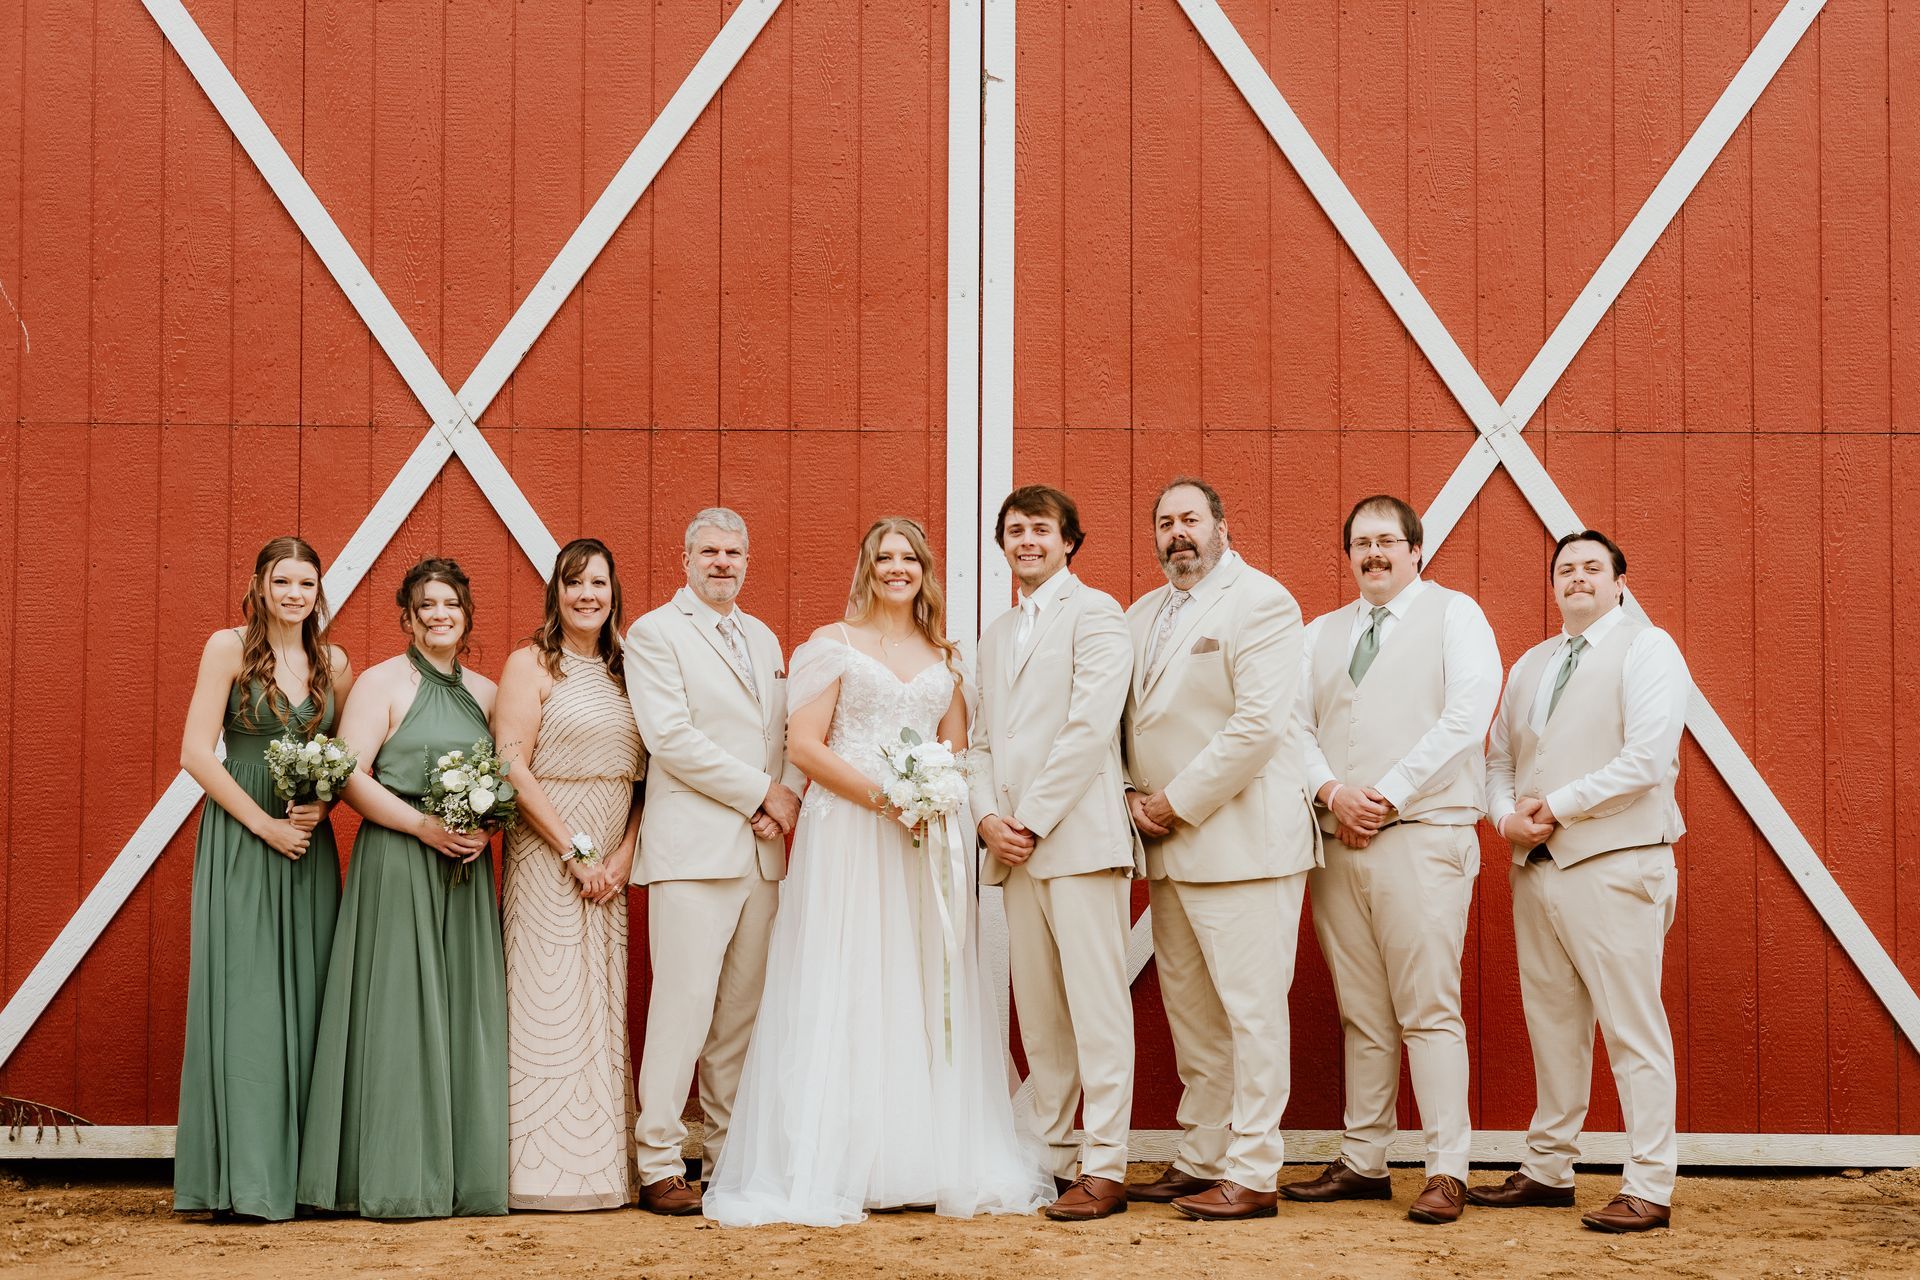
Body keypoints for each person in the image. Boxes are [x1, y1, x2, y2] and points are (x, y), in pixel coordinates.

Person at [702, 517, 1055, 1226]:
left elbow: (955, 747)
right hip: (851, 835)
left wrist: (934, 793)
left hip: (921, 836)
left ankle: (922, 1155)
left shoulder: (944, 656)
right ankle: (842, 1158)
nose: (898, 569)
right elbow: (804, 746)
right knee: (849, 976)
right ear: (867, 568)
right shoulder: (831, 646)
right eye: (884, 557)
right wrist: (887, 799)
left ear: (925, 570)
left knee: (921, 979)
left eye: (910, 558)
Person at [1282, 496, 1500, 1224]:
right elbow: (1293, 725)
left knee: (1428, 1007)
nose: (1373, 553)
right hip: (1340, 838)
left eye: (1387, 541)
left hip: (1423, 835)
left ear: (1416, 549)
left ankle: (1446, 1168)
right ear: (1348, 556)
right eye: (1361, 544)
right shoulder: (1320, 633)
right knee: (1362, 1012)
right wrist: (1332, 792)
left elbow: (1468, 714)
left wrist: (1385, 794)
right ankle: (1363, 1158)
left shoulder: (1455, 615)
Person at [1469, 529, 1688, 1233]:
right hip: (1537, 867)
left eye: (1593, 567)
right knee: (1554, 1025)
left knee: (1632, 1028)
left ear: (1620, 582)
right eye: (1565, 569)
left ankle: (1649, 1185)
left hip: (1617, 863)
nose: (1578, 578)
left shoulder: (1648, 648)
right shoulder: (1532, 663)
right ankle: (1547, 1168)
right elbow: (1497, 757)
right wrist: (1504, 818)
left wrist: (1554, 807)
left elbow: (1646, 758)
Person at [1121, 477, 1318, 1222]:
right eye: (1165, 522)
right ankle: (1203, 1153)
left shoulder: (1263, 602)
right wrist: (1129, 798)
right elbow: (1124, 726)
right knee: (1193, 1014)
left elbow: (1258, 726)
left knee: (1251, 1011)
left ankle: (1255, 1167)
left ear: (1222, 526)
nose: (1179, 533)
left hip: (1242, 844)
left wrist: (1174, 802)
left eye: (1191, 520)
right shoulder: (1142, 613)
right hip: (1166, 848)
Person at [297, 558, 508, 1219]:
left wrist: (486, 828)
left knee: (460, 1014)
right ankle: (391, 1176)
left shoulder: (489, 691)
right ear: (408, 617)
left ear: (466, 613)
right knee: (398, 1014)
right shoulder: (381, 683)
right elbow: (351, 776)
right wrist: (422, 825)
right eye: (427, 605)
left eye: (451, 603)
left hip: (463, 872)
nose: (440, 614)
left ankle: (461, 1175)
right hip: (397, 857)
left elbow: (506, 774)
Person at [621, 509, 803, 1215]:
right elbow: (671, 738)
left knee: (739, 1017)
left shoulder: (761, 636)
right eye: (709, 551)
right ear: (685, 557)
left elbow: (780, 734)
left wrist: (776, 801)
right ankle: (660, 1160)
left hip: (759, 854)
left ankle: (727, 1156)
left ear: (747, 560)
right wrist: (765, 793)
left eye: (734, 551)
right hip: (693, 854)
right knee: (683, 1010)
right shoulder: (655, 634)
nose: (722, 562)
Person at [970, 486, 1139, 1221]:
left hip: (1075, 843)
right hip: (1014, 848)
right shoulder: (997, 632)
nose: (1027, 541)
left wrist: (1030, 819)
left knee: (1098, 1010)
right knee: (1039, 1016)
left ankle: (1106, 1164)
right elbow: (979, 743)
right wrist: (986, 820)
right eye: (1015, 530)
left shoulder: (1097, 613)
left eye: (1041, 529)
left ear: (1069, 540)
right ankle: (1053, 1157)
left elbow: (1089, 726)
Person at [174, 537, 353, 1221]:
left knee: (309, 999)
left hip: (307, 846)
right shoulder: (227, 648)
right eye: (283, 581)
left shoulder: (333, 662)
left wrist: (321, 804)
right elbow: (196, 753)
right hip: (244, 838)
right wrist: (264, 825)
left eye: (306, 583)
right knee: (246, 1002)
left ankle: (304, 1179)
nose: (294, 594)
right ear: (260, 584)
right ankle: (244, 1182)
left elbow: (337, 757)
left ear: (318, 593)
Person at [494, 538, 645, 1210]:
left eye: (600, 584)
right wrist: (574, 853)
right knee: (544, 998)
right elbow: (512, 764)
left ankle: (601, 1168)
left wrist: (622, 857)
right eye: (574, 583)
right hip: (548, 851)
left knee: (597, 1003)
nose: (588, 595)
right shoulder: (531, 664)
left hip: (612, 861)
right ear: (556, 591)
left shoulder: (629, 668)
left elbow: (652, 779)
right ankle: (534, 1173)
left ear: (616, 593)